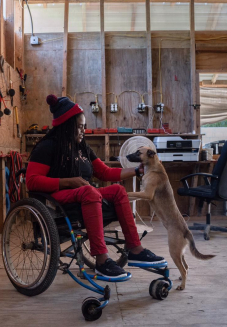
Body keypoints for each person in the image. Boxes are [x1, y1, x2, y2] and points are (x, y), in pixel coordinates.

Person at [26, 95, 164, 278]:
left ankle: (135, 249)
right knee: (90, 191)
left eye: (84, 126)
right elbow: (32, 181)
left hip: (84, 194)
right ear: (67, 126)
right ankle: (101, 261)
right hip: (58, 198)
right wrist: (69, 181)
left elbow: (105, 173)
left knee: (117, 190)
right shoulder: (47, 147)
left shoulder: (82, 147)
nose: (84, 130)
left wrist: (136, 171)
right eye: (80, 126)